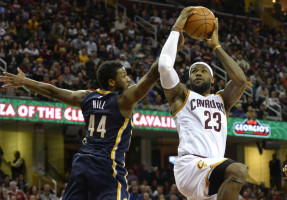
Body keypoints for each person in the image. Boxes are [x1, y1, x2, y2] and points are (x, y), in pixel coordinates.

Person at [0, 59, 160, 198]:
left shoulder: (86, 97)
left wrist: (26, 82)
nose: (128, 79)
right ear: (112, 82)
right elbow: (153, 74)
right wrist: (175, 33)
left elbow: (53, 92)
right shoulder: (124, 100)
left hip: (82, 163)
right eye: (124, 76)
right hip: (106, 165)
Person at [158, 7, 248, 200]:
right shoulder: (182, 95)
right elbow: (165, 66)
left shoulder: (222, 100)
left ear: (213, 79)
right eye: (193, 71)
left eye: (203, 71)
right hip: (191, 166)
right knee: (238, 170)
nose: (197, 73)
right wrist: (178, 25)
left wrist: (217, 46)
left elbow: (241, 81)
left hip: (212, 170)